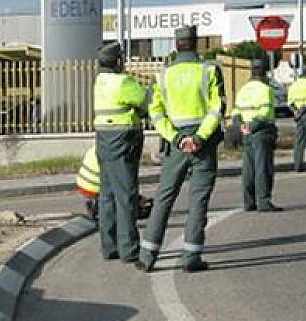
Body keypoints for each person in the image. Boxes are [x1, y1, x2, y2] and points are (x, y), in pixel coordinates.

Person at [136, 25, 225, 273]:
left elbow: (155, 112)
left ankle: (147, 255)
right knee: (199, 200)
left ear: (176, 45)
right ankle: (191, 257)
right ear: (196, 43)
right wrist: (198, 137)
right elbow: (217, 109)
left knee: (164, 197)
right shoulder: (210, 70)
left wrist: (176, 138)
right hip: (203, 146)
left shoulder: (163, 75)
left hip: (175, 145)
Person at [92, 42, 147, 262]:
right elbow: (145, 102)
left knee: (107, 194)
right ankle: (129, 249)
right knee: (126, 195)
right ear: (118, 61)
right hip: (123, 141)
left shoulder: (100, 81)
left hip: (103, 140)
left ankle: (109, 245)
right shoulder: (123, 81)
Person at [232, 60, 283, 212]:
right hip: (261, 131)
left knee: (249, 168)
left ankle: (248, 201)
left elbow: (235, 112)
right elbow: (265, 112)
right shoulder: (265, 89)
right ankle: (263, 201)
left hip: (246, 132)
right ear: (264, 71)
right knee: (263, 167)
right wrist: (253, 126)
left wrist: (242, 126)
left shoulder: (244, 89)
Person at [76, 145, 154, 222]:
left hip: (82, 184)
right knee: (120, 198)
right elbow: (121, 182)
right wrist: (137, 197)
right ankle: (99, 209)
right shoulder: (116, 152)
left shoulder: (97, 146)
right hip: (95, 187)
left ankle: (96, 205)